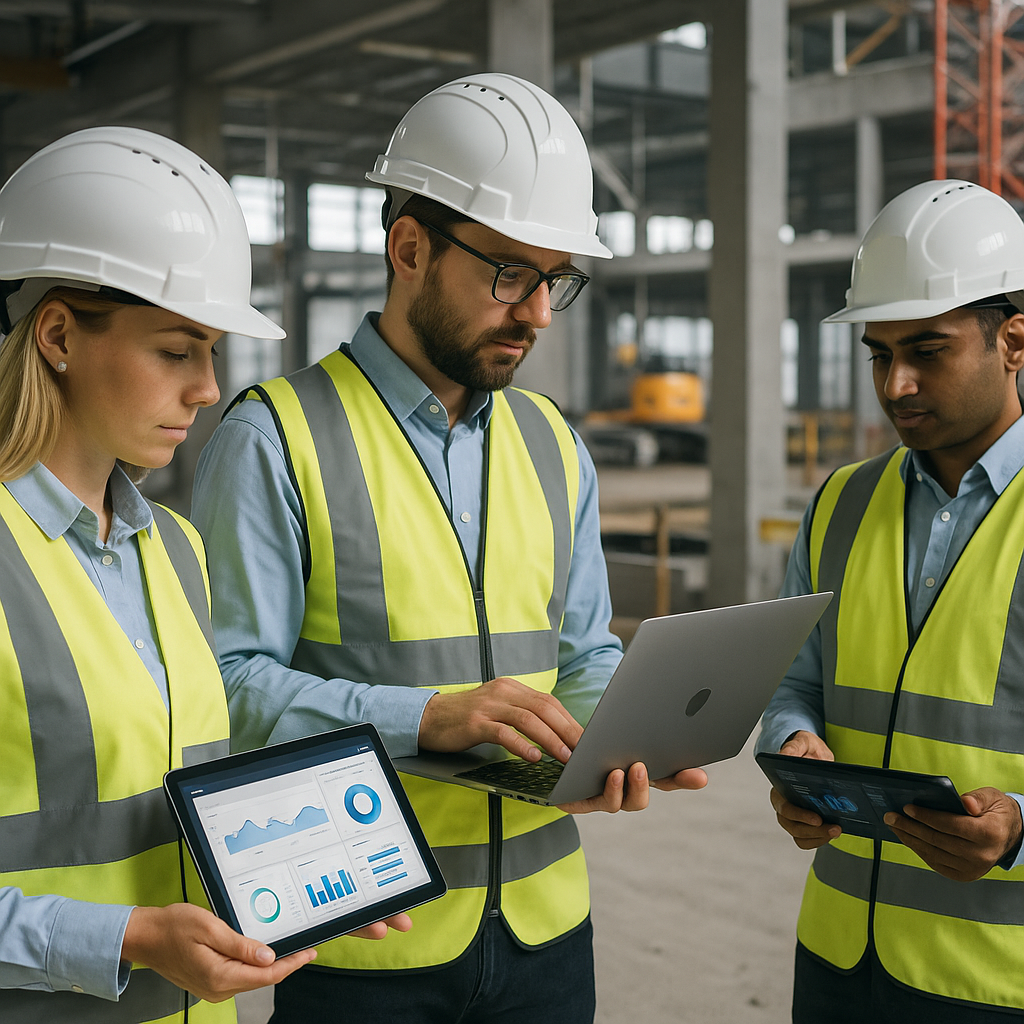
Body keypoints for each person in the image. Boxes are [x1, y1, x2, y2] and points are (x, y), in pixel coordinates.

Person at [191, 72, 707, 1023]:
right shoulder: (274, 436)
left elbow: (584, 649)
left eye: (555, 280)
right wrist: (424, 715)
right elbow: (221, 688)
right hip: (364, 943)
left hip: (546, 934)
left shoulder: (553, 442)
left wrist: (622, 735)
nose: (539, 314)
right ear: (409, 247)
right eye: (510, 275)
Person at [0, 125, 407, 1024]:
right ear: (59, 333)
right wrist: (128, 939)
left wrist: (305, 873)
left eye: (213, 354)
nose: (208, 389)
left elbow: (171, 794)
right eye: (177, 351)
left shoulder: (176, 548)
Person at [756, 178, 1024, 1022]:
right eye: (879, 353)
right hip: (841, 958)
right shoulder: (840, 503)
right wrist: (794, 743)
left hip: (996, 978)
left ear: (1015, 341)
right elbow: (793, 678)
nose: (896, 384)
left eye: (928, 350)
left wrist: (1020, 824)